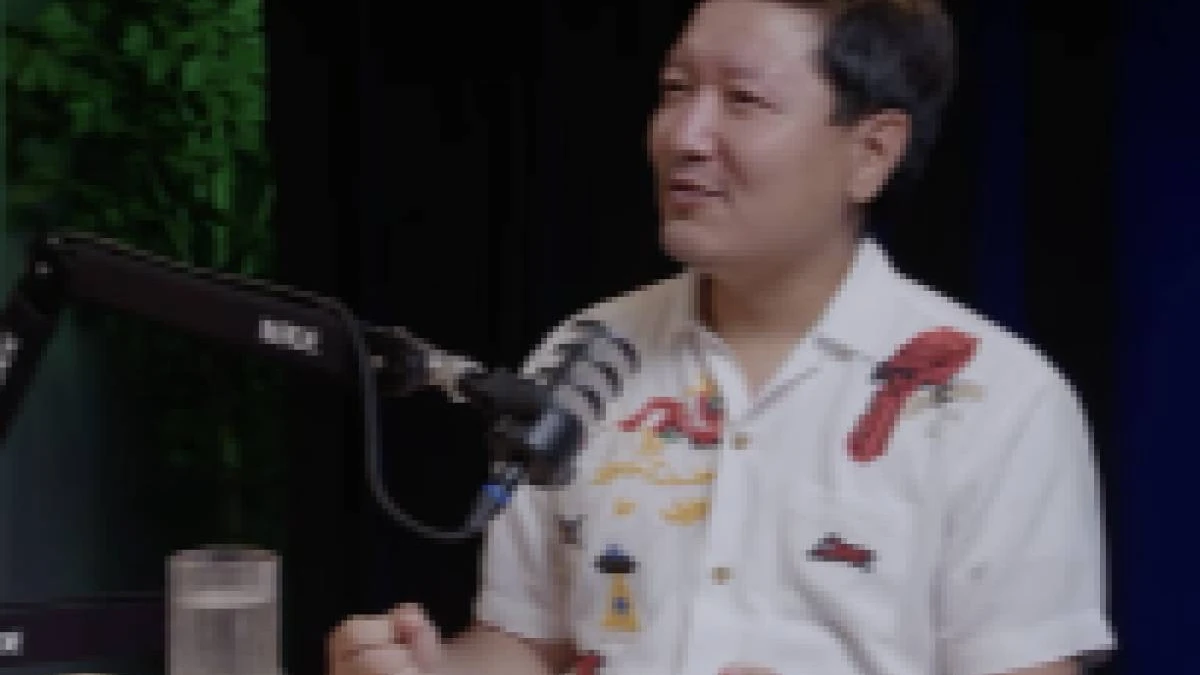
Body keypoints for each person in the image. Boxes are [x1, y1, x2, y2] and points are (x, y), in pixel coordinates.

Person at [327, 0, 1116, 673]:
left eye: (743, 100)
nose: (685, 136)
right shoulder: (590, 350)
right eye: (675, 90)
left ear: (870, 153)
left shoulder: (998, 400)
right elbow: (527, 641)